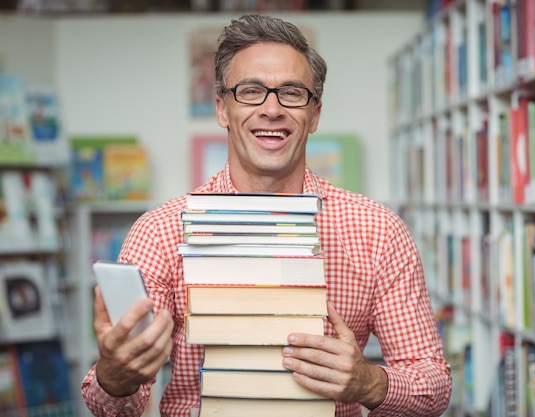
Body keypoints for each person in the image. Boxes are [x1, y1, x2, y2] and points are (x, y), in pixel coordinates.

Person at [81, 14, 452, 417]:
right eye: (251, 91)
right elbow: (116, 407)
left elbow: (433, 385)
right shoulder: (160, 233)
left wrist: (370, 382)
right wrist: (114, 378)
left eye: (292, 93)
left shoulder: (377, 231)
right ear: (222, 109)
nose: (271, 109)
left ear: (314, 114)